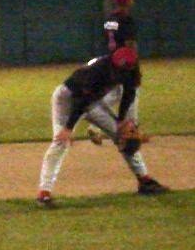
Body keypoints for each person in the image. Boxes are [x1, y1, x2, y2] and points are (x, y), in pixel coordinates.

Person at [37, 47, 169, 207]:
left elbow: (129, 93)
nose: (119, 70)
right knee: (60, 142)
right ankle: (44, 193)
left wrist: (122, 121)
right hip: (67, 99)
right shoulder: (98, 69)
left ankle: (145, 181)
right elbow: (81, 101)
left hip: (93, 103)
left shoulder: (132, 69)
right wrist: (68, 128)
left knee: (124, 135)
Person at [87, 0, 138, 145]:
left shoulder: (109, 19)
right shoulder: (126, 19)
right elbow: (130, 44)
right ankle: (131, 129)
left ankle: (96, 126)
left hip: (111, 60)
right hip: (124, 61)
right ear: (127, 2)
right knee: (131, 93)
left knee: (115, 94)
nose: (132, 1)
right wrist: (134, 62)